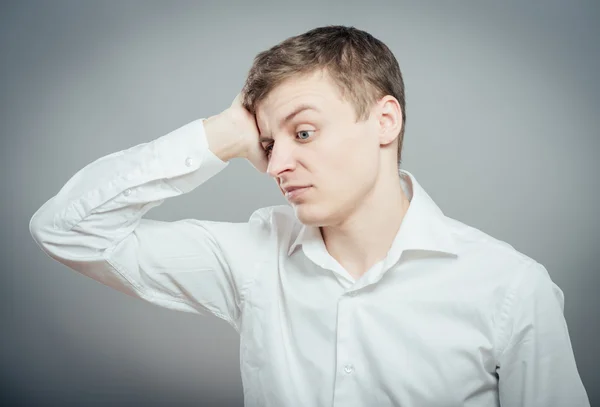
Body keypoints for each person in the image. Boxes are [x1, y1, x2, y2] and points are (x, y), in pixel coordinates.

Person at [29, 25, 589, 407]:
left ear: (384, 122)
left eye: (303, 132)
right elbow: (65, 230)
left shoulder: (511, 287)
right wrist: (221, 136)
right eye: (269, 145)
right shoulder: (252, 258)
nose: (278, 165)